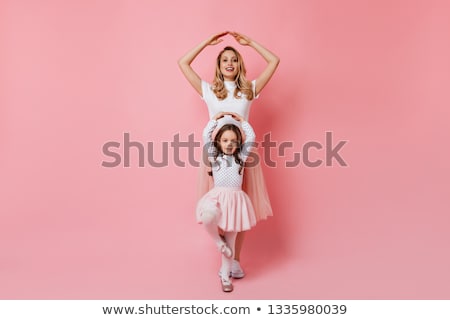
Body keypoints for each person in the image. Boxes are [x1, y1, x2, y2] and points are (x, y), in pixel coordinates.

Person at [178, 31, 280, 278]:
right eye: (225, 60)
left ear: (239, 64)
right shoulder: (209, 90)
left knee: (239, 207)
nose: (230, 64)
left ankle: (234, 260)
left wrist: (250, 42)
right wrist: (206, 42)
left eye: (234, 59)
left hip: (242, 155)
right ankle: (224, 254)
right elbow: (183, 63)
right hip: (215, 154)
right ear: (219, 66)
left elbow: (274, 61)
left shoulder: (249, 89)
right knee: (218, 205)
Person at [196, 112, 256, 292]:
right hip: (217, 198)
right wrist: (216, 119)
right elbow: (205, 135)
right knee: (207, 217)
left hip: (235, 201)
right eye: (225, 140)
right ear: (219, 143)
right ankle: (218, 241)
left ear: (238, 144)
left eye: (233, 141)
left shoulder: (241, 158)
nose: (229, 144)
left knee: (231, 240)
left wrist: (242, 122)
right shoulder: (215, 157)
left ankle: (225, 276)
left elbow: (251, 136)